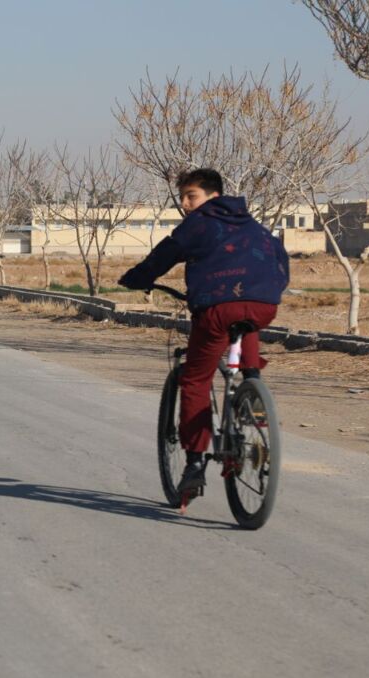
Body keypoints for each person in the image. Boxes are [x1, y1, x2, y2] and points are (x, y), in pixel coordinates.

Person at [118, 168, 289, 495]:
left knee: (195, 378)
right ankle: (252, 384)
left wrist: (136, 278)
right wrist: (269, 290)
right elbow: (281, 260)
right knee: (245, 316)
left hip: (216, 308)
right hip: (264, 304)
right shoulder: (254, 225)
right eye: (182, 197)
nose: (184, 203)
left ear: (213, 196)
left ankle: (195, 463)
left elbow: (164, 254)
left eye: (190, 196)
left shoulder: (199, 222)